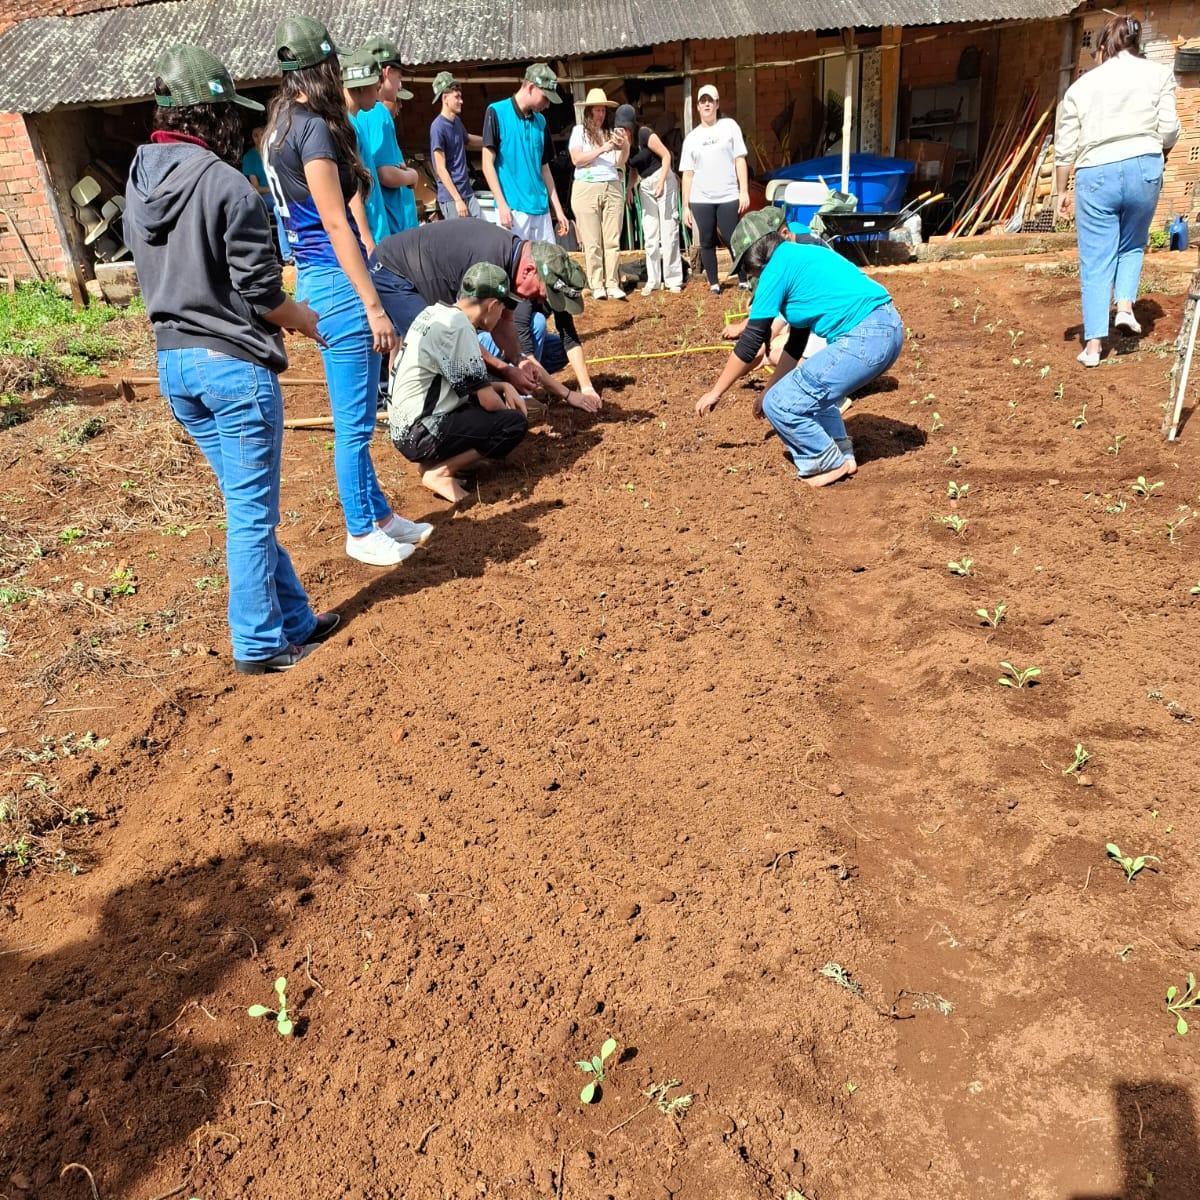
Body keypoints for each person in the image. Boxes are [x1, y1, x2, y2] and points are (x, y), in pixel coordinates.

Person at [124, 44, 338, 674]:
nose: (238, 128)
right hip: (232, 370)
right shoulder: (226, 186)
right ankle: (260, 644)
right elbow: (263, 293)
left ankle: (294, 618)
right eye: (229, 115)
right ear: (208, 115)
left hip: (175, 366)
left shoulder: (139, 177)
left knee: (246, 504)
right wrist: (302, 318)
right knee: (250, 514)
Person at [264, 15, 431, 567]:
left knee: (355, 414)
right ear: (322, 68)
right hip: (336, 278)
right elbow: (336, 224)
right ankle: (361, 528)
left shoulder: (278, 125)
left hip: (315, 275)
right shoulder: (311, 127)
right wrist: (374, 304)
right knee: (355, 422)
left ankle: (380, 514)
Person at [694, 209, 903, 488]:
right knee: (802, 395)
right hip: (887, 328)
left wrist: (715, 392)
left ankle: (826, 461)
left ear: (754, 260)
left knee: (782, 404)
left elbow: (752, 340)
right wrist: (768, 389)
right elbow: (796, 343)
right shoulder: (799, 257)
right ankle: (841, 452)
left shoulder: (777, 266)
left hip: (864, 336)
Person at [367, 219, 603, 411]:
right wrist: (505, 370)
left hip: (421, 274)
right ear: (529, 271)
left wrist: (519, 360)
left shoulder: (512, 262)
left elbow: (504, 322)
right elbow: (458, 340)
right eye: (543, 293)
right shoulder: (491, 266)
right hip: (395, 272)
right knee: (432, 342)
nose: (541, 301)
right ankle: (396, 408)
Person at [1054, 14, 1180, 368]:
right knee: (1133, 242)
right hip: (1144, 164)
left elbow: (1065, 146)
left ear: (1103, 48)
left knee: (1096, 259)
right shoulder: (1158, 74)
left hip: (1096, 171)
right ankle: (1125, 307)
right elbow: (1169, 129)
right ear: (1136, 44)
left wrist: (1061, 191)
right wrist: (1156, 146)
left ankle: (1093, 346)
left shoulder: (1082, 86)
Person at [388, 262, 530, 503]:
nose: (502, 315)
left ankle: (440, 462)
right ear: (493, 305)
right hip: (421, 432)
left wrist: (504, 385)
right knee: (511, 425)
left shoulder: (436, 313)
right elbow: (488, 402)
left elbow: (467, 383)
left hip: (406, 427)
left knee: (482, 404)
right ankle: (440, 472)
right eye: (502, 307)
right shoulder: (458, 328)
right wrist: (511, 418)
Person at [482, 63, 569, 242]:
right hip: (513, 210)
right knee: (517, 267)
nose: (547, 105)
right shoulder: (496, 112)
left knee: (546, 267)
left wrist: (558, 211)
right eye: (545, 98)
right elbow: (487, 163)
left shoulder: (541, 122)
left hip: (541, 210)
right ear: (531, 87)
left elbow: (544, 168)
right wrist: (501, 203)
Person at [680, 84, 751, 294]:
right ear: (698, 107)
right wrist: (685, 206)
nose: (707, 104)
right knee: (707, 239)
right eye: (703, 101)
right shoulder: (692, 138)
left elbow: (739, 160)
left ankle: (744, 278)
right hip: (701, 198)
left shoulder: (729, 127)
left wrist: (744, 190)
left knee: (732, 237)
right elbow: (688, 173)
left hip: (728, 194)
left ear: (717, 104)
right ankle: (713, 283)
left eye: (711, 100)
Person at [614, 104, 682, 295]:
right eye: (620, 128)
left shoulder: (644, 134)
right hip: (644, 184)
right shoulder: (622, 146)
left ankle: (673, 278)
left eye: (626, 128)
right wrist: (629, 188)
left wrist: (661, 181)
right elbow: (634, 168)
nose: (624, 132)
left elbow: (667, 155)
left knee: (668, 230)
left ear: (632, 126)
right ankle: (654, 279)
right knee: (650, 233)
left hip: (663, 176)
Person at [568, 88, 629, 300]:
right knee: (592, 241)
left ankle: (612, 282)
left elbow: (620, 162)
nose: (600, 114)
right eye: (596, 110)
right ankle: (596, 284)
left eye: (603, 110)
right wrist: (603, 149)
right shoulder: (579, 132)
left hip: (611, 184)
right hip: (587, 187)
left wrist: (624, 144)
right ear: (588, 112)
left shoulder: (611, 132)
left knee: (612, 239)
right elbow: (577, 159)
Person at [359, 35, 421, 232]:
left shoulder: (356, 113)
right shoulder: (378, 113)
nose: (400, 85)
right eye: (399, 76)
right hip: (393, 229)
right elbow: (384, 173)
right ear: (386, 72)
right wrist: (411, 176)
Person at [430, 71, 483, 220]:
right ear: (445, 98)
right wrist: (458, 200)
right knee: (460, 241)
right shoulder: (437, 127)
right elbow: (440, 168)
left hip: (467, 191)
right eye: (457, 97)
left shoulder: (456, 122)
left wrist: (490, 141)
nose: (461, 101)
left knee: (481, 231)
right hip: (452, 197)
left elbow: (468, 140)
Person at [241, 125, 292, 264]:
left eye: (262, 133)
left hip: (283, 192)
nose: (259, 138)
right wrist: (273, 189)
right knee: (278, 206)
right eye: (255, 135)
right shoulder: (249, 157)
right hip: (267, 196)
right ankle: (287, 254)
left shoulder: (277, 152)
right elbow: (255, 187)